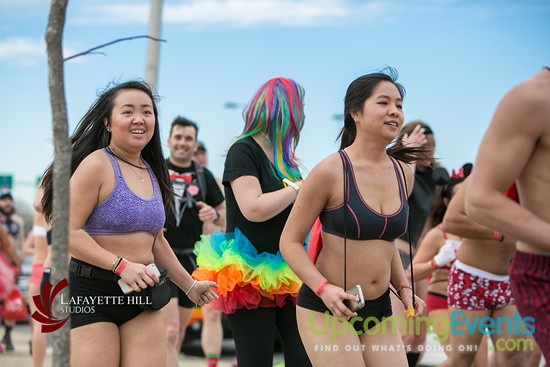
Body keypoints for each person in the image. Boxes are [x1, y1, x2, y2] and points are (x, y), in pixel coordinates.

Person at [39, 80, 218, 367]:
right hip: (93, 294)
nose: (139, 119)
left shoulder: (153, 170)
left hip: (143, 294)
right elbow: (66, 231)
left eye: (147, 112)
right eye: (128, 111)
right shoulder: (97, 165)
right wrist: (121, 265)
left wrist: (189, 285)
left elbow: (156, 240)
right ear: (108, 123)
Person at [280, 67, 427, 366]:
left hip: (380, 308)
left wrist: (405, 288)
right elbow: (290, 242)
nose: (394, 111)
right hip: (328, 306)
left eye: (399, 105)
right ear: (355, 113)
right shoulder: (331, 171)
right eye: (383, 102)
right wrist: (324, 289)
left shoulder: (403, 173)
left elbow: (385, 245)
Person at [193, 77, 311, 367]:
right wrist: (298, 188)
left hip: (288, 272)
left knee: (304, 358)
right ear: (285, 110)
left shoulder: (287, 161)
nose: (305, 114)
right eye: (301, 106)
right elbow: (254, 209)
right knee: (256, 360)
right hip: (247, 273)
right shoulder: (243, 150)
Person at [465, 65, 550, 362]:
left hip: (504, 282)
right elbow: (475, 203)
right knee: (466, 358)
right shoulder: (532, 99)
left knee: (520, 358)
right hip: (475, 278)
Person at [439, 177, 524, 367]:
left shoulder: (536, 179)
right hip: (471, 279)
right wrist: (499, 234)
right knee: (461, 360)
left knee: (515, 357)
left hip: (510, 281)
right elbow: (451, 221)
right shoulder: (488, 172)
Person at [411, 164, 489, 366]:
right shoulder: (438, 234)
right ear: (447, 201)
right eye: (459, 196)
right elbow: (411, 273)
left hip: (473, 304)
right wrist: (436, 262)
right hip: (442, 300)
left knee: (481, 363)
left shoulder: (481, 232)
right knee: (461, 360)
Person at [163, 117, 225, 367]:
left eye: (188, 138)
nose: (182, 142)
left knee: (177, 335)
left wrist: (215, 214)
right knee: (169, 331)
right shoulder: (154, 170)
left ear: (194, 143)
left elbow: (224, 214)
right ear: (169, 141)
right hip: (160, 258)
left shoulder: (204, 176)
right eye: (178, 137)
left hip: (192, 262)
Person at [392, 121, 449, 366]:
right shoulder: (396, 166)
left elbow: (431, 219)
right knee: (402, 331)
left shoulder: (436, 177)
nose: (429, 153)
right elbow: (401, 194)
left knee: (419, 333)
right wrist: (409, 156)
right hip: (394, 252)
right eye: (423, 147)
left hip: (418, 256)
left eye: (431, 148)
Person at [192, 140, 232, 367]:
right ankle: (212, 364)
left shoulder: (215, 183)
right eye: (195, 153)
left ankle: (240, 358)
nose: (199, 156)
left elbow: (228, 219)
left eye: (202, 152)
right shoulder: (178, 185)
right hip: (196, 256)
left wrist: (215, 212)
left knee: (236, 310)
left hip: (224, 255)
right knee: (210, 313)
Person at [0, 188, 24, 352]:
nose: (7, 202)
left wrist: (18, 262)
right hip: (2, 265)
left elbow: (19, 243)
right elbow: (6, 245)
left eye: (9, 199)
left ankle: (7, 335)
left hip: (12, 266)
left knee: (11, 301)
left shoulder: (18, 221)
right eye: (3, 199)